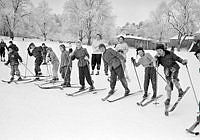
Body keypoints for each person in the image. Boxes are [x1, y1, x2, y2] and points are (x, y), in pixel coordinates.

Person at [154, 44, 187, 115]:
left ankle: (180, 90)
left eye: (160, 50)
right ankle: (168, 99)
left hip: (174, 67)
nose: (159, 52)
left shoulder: (170, 53)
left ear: (163, 50)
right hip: (167, 70)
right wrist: (156, 59)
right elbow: (156, 65)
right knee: (168, 83)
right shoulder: (159, 57)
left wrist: (183, 61)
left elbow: (177, 58)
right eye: (157, 51)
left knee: (174, 79)